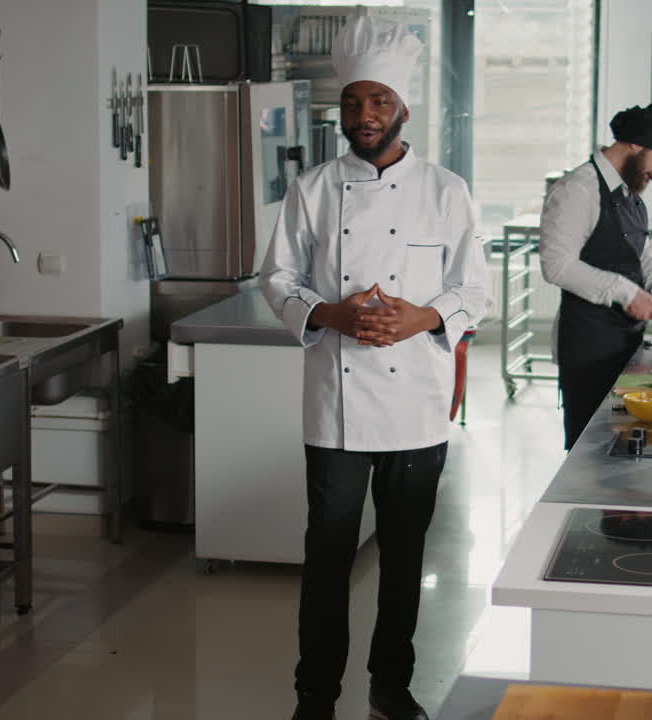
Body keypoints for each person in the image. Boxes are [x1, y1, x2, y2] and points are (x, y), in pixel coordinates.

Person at [259, 15, 489, 720]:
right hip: (335, 404)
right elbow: (277, 278)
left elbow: (474, 291)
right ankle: (315, 696)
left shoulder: (447, 191)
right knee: (326, 561)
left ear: (404, 109)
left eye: (379, 102)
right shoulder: (315, 188)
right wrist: (335, 314)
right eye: (354, 101)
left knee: (402, 561)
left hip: (416, 406)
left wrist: (420, 318)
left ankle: (391, 686)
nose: (364, 115)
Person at [539, 104, 652, 451]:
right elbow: (555, 265)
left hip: (625, 344)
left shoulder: (630, 194)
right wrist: (625, 292)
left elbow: (643, 257)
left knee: (623, 449)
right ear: (635, 144)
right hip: (588, 348)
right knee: (591, 453)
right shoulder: (577, 189)